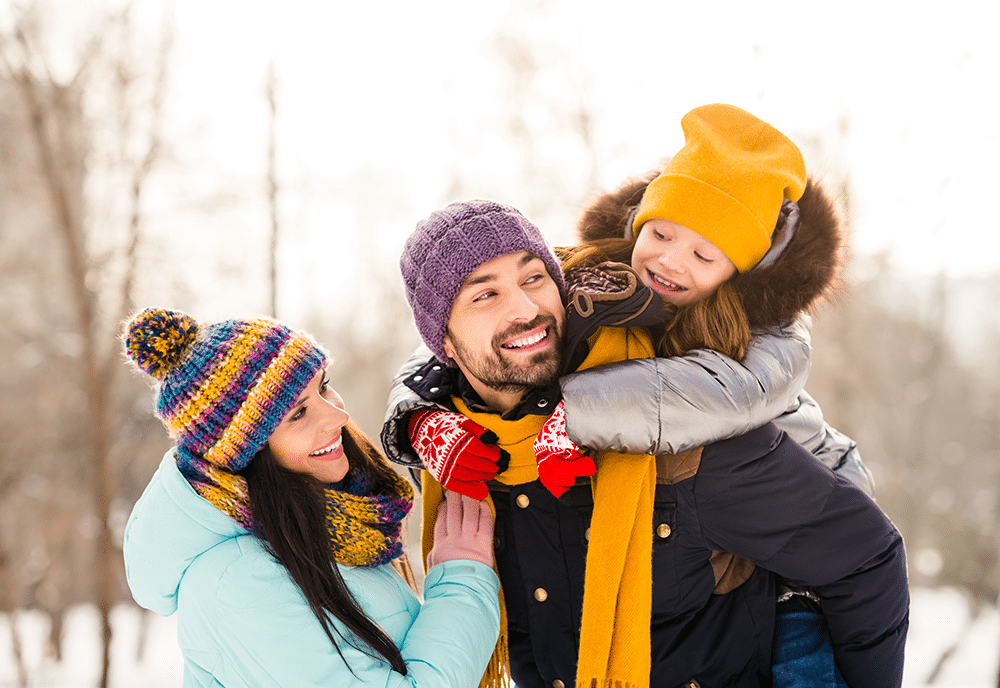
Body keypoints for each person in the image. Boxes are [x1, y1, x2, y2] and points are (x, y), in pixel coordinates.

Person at [382, 107, 907, 688]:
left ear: (737, 271)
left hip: (807, 480)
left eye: (533, 280)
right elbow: (446, 360)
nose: (670, 261)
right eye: (660, 235)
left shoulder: (739, 367)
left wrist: (577, 416)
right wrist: (418, 418)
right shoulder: (481, 442)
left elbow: (864, 553)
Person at [121, 307, 501, 688]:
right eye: (298, 414)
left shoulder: (328, 528)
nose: (337, 416)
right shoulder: (237, 585)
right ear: (244, 455)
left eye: (323, 386)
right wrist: (462, 584)